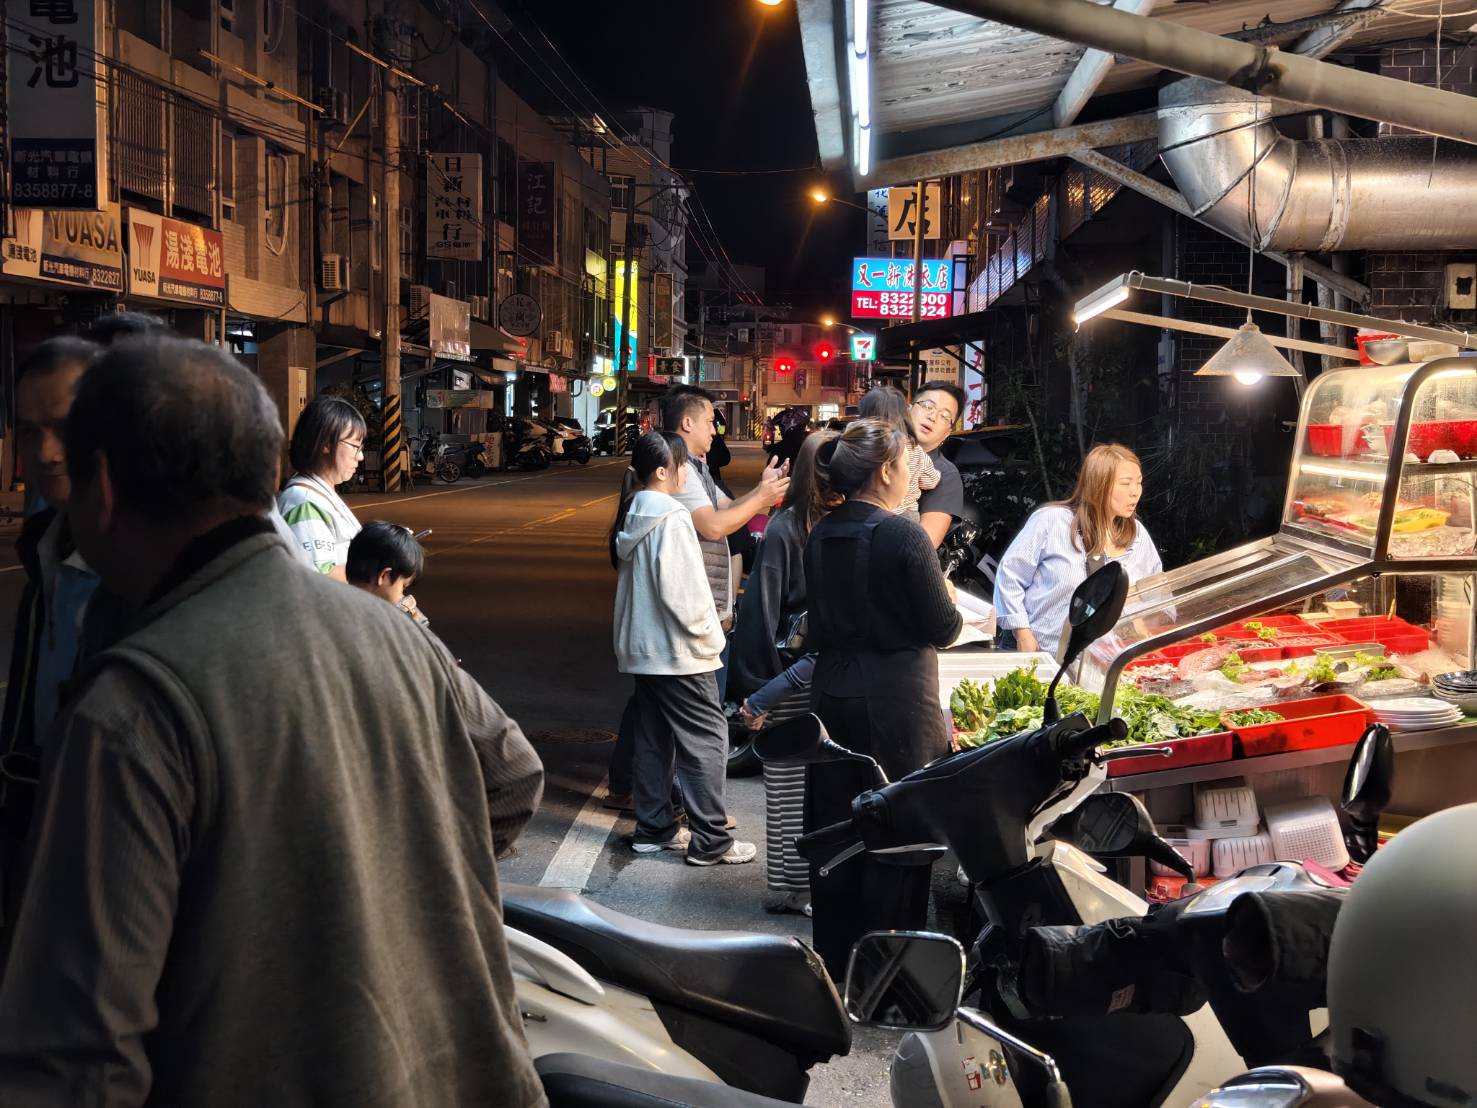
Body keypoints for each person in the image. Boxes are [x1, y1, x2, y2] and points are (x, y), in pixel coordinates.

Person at [0, 335, 548, 1107]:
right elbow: (514, 776)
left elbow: (76, 1062)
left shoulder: (134, 707)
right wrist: (395, 895)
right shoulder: (397, 634)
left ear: (106, 491)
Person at [803, 418, 962, 978]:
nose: (915, 474)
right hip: (896, 699)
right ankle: (890, 976)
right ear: (888, 471)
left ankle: (835, 966)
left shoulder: (822, 532)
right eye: (907, 463)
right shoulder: (904, 535)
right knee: (897, 832)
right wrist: (947, 594)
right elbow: (944, 627)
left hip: (832, 693)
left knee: (837, 827)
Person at [611, 431, 754, 866]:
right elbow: (682, 593)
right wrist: (711, 634)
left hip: (645, 650)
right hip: (679, 652)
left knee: (654, 739)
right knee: (708, 738)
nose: (687, 473)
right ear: (662, 472)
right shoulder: (671, 518)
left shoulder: (636, 511)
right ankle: (712, 840)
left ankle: (653, 829)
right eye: (682, 466)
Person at [0, 337, 103, 930]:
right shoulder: (46, 541)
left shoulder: (146, 563)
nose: (45, 451)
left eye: (64, 428)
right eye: (28, 432)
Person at [729, 429, 839, 913]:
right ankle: (798, 887)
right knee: (794, 789)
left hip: (813, 671)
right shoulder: (788, 527)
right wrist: (760, 690)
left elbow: (761, 607)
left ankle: (807, 884)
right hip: (795, 673)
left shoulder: (812, 523)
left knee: (808, 787)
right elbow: (761, 609)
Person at [993, 442, 1162, 657]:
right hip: (1042, 656)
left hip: (1103, 663)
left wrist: (1145, 631)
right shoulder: (1052, 521)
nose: (1135, 492)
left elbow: (1157, 593)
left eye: (1139, 482)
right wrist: (1022, 633)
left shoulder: (1138, 535)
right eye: (1125, 483)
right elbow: (1009, 575)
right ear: (1099, 485)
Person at [278, 396, 366, 578]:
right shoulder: (305, 503)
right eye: (355, 446)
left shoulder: (320, 493)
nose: (360, 457)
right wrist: (377, 567)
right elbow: (319, 578)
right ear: (326, 443)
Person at [860, 386, 939, 520]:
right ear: (904, 415)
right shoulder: (914, 449)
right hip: (906, 517)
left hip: (870, 514)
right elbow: (931, 481)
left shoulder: (862, 448)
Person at [911, 381, 967, 549]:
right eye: (928, 406)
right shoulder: (877, 446)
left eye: (944, 416)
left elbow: (923, 546)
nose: (932, 417)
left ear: (947, 433)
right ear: (909, 408)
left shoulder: (945, 475)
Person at [347, 520, 428, 625]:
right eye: (403, 586)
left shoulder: (333, 606)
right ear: (384, 576)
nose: (402, 597)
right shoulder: (378, 625)